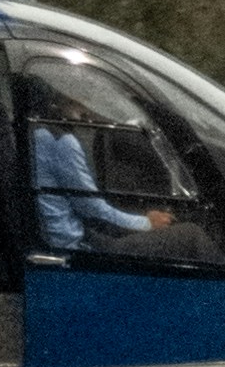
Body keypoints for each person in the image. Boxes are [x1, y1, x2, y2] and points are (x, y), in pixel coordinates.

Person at [26, 72, 171, 258]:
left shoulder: (36, 132)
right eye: (81, 98)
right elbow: (91, 208)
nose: (86, 108)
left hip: (67, 237)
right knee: (191, 236)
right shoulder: (59, 140)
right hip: (71, 248)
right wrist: (147, 223)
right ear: (62, 97)